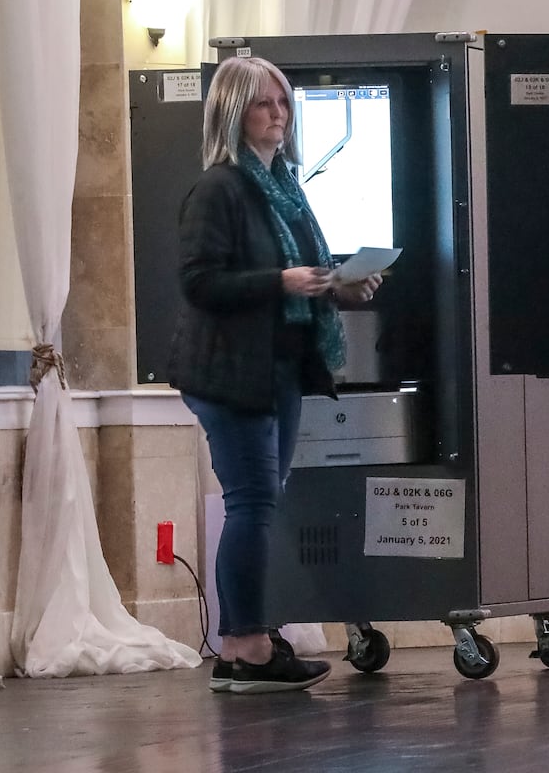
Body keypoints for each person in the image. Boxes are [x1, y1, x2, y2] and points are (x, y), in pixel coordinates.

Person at [169, 55, 382, 694]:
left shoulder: (285, 186)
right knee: (252, 503)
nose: (279, 114)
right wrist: (280, 282)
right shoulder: (220, 188)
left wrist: (339, 285)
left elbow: (301, 272)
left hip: (280, 366)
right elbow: (200, 282)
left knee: (262, 501)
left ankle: (243, 646)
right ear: (234, 113)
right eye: (264, 103)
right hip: (231, 371)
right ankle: (248, 646)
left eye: (283, 102)